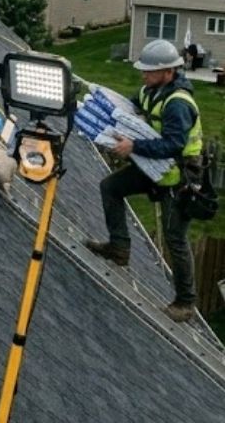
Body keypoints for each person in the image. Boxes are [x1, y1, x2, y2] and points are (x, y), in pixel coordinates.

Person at [85, 39, 205, 323]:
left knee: (174, 238)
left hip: (179, 178)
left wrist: (133, 147)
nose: (143, 75)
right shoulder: (150, 91)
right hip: (155, 168)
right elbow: (129, 108)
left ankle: (185, 303)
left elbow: (174, 145)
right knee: (111, 188)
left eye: (149, 71)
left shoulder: (178, 104)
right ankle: (119, 248)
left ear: (168, 72)